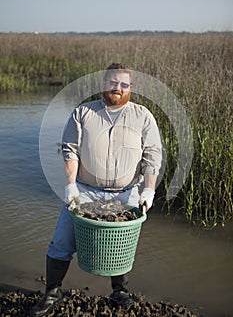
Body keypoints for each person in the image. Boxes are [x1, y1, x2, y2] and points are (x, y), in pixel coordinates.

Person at [31, 63, 162, 316]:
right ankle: (52, 292)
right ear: (104, 85)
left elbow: (152, 156)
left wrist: (149, 190)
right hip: (85, 191)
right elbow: (70, 151)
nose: (118, 88)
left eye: (124, 84)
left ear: (131, 88)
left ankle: (119, 291)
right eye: (113, 82)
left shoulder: (143, 115)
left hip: (126, 194)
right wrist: (70, 187)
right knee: (61, 242)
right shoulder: (83, 113)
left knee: (120, 245)